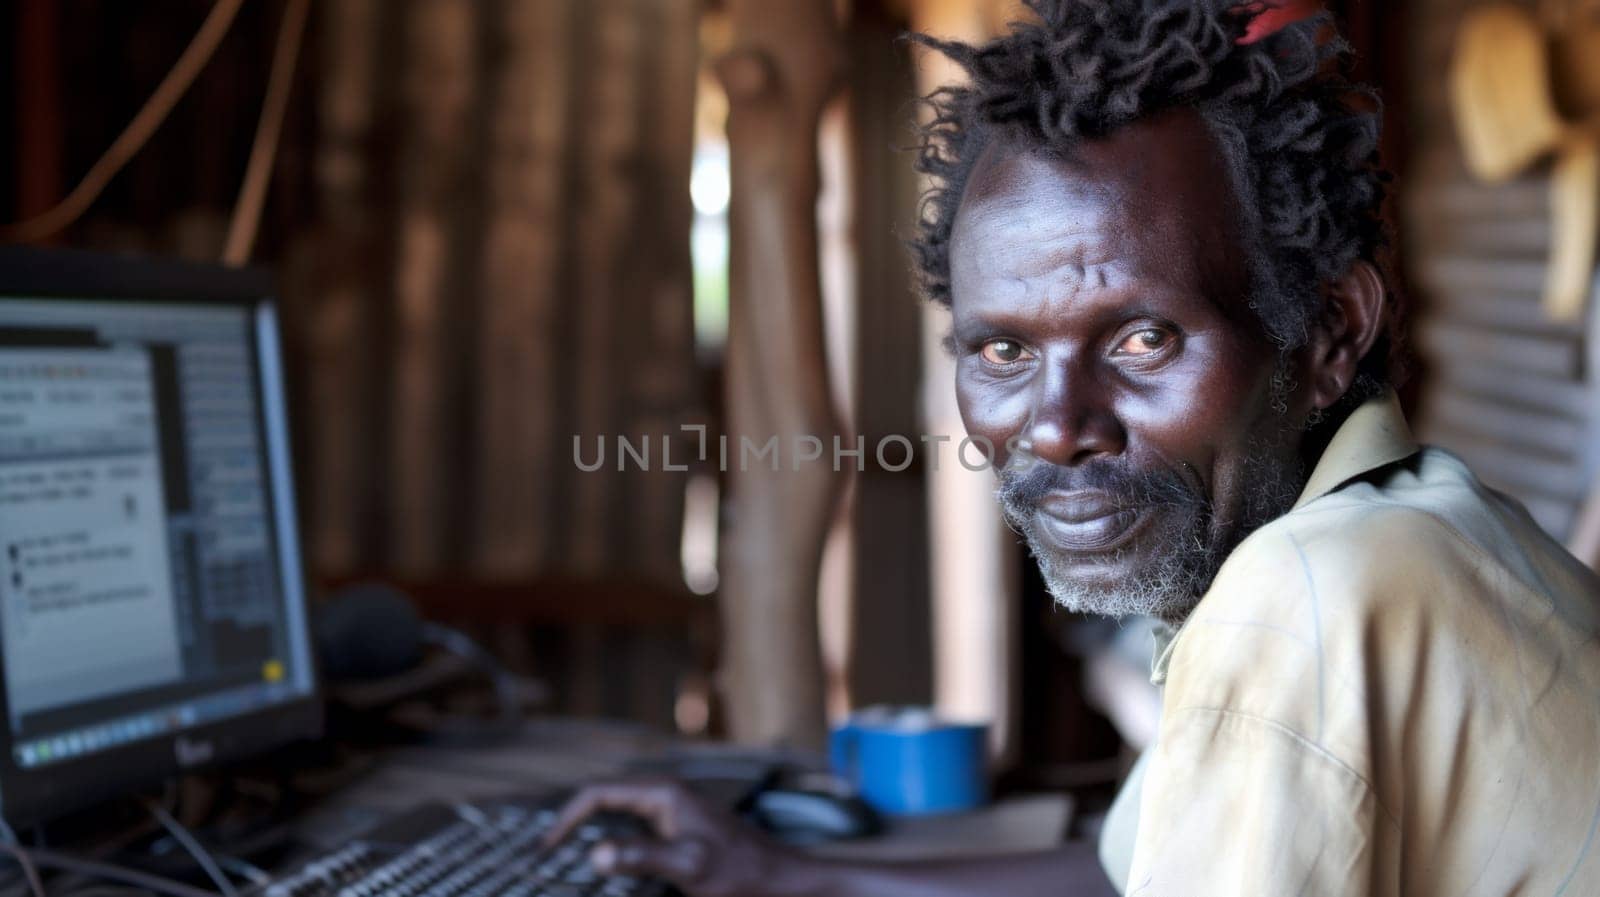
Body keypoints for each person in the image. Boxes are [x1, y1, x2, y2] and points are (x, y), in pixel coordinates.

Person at [548, 1, 1600, 894]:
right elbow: (1118, 875)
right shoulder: (1424, 527)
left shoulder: (1308, 598)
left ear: (1327, 335)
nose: (1055, 426)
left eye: (1143, 339)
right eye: (1002, 349)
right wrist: (786, 875)